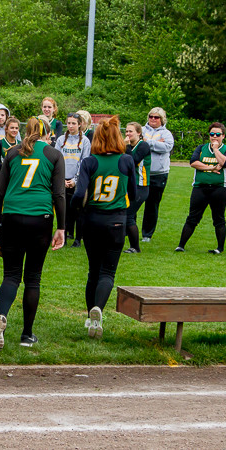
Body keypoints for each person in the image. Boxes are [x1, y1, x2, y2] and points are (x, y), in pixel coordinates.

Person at [0, 115, 66, 350]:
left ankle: (1, 316)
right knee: (33, 278)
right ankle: (27, 334)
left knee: (11, 275)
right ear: (47, 133)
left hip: (11, 215)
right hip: (40, 218)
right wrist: (62, 227)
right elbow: (59, 194)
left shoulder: (12, 153)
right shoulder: (53, 154)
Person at [72, 116, 136, 339]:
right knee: (108, 272)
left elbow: (79, 194)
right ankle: (98, 310)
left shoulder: (90, 162)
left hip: (92, 219)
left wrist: (76, 210)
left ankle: (90, 316)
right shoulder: (126, 160)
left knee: (93, 271)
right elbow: (134, 194)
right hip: (116, 220)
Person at [175, 122, 226, 254]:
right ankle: (181, 245)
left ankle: (219, 248)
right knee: (192, 217)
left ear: (223, 136)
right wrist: (211, 168)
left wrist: (216, 150)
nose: (214, 137)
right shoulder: (201, 148)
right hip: (200, 188)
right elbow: (193, 162)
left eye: (218, 134)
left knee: (219, 219)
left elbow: (225, 162)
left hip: (220, 189)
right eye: (212, 134)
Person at [55, 112, 91, 247]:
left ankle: (78, 239)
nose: (70, 126)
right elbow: (57, 160)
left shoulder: (85, 141)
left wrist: (75, 180)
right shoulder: (60, 140)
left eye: (74, 123)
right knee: (63, 210)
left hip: (77, 181)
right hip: (62, 180)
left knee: (78, 210)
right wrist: (61, 179)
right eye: (69, 123)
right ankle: (63, 237)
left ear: (80, 124)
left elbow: (84, 161)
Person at [141, 107, 174, 242]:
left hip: (158, 174)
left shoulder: (166, 133)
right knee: (133, 201)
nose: (153, 119)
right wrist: (156, 144)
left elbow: (167, 147)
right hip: (141, 172)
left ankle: (147, 234)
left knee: (152, 205)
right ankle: (128, 229)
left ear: (162, 119)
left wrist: (147, 142)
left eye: (156, 117)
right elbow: (134, 143)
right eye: (151, 116)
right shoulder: (141, 130)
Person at [123, 122, 151, 253]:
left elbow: (132, 161)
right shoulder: (127, 145)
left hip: (141, 186)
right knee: (127, 215)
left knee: (128, 215)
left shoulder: (143, 145)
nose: (128, 134)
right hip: (129, 185)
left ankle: (135, 247)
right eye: (126, 131)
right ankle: (121, 240)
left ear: (139, 133)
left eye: (131, 131)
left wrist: (126, 146)